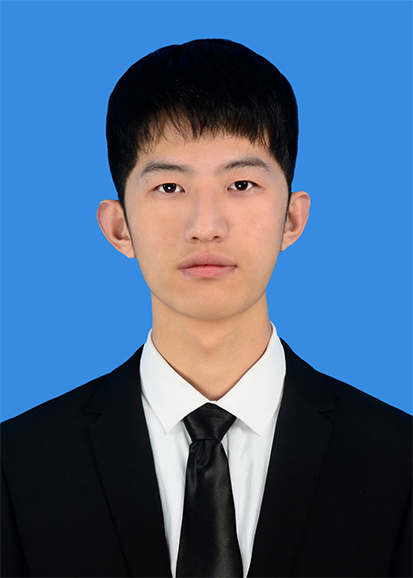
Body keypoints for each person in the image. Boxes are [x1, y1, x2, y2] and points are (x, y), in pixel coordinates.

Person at [1, 39, 411, 578]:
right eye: (170, 186)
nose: (206, 225)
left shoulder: (400, 462)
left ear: (292, 218)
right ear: (118, 226)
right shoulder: (18, 465)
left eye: (241, 183)